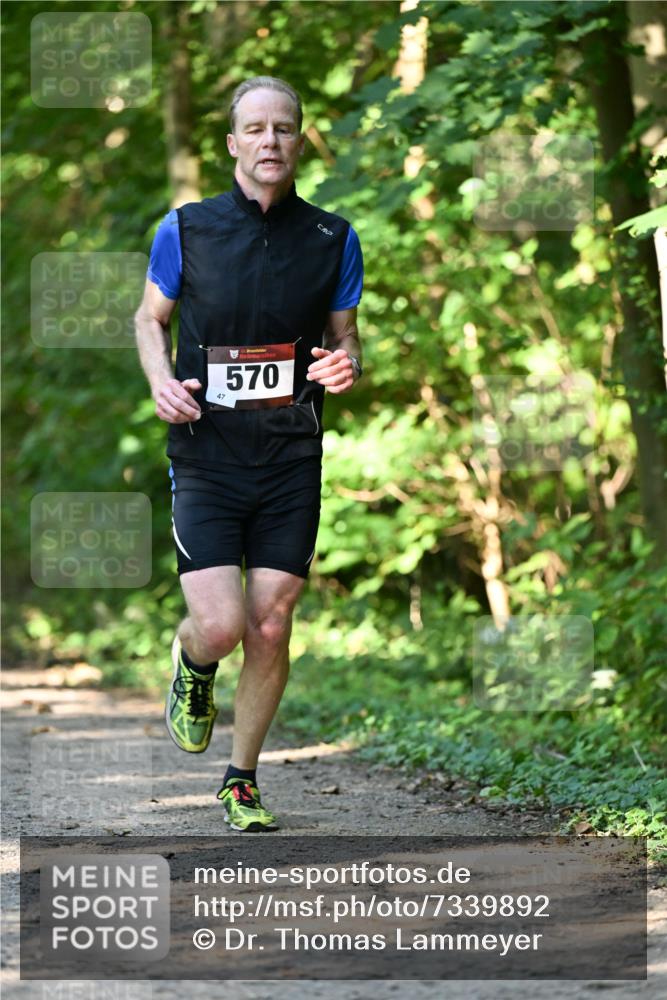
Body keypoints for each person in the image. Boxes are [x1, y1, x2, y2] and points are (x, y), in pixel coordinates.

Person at [134, 76, 363, 832]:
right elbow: (148, 319)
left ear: (299, 141)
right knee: (225, 625)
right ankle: (194, 662)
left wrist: (345, 362)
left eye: (284, 128)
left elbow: (343, 338)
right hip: (206, 453)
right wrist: (162, 380)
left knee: (272, 621)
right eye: (255, 129)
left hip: (291, 453)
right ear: (233, 143)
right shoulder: (186, 229)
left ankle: (241, 779)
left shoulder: (333, 238)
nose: (271, 140)